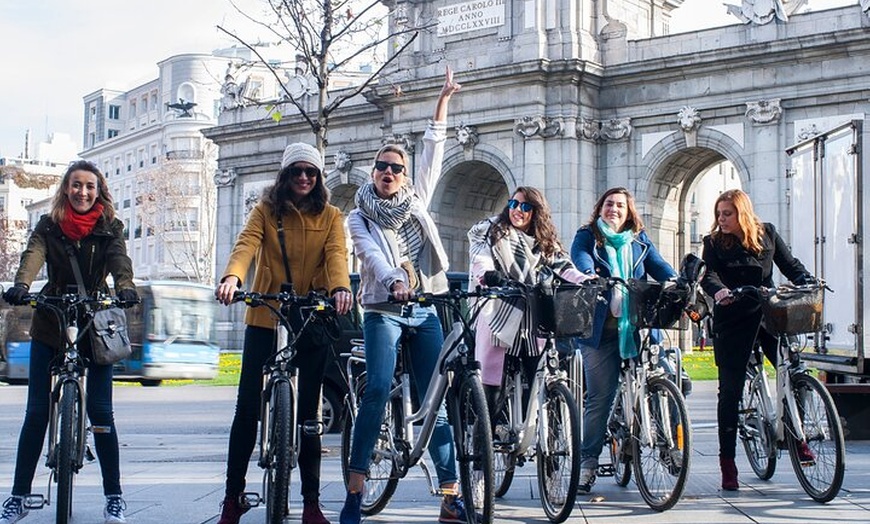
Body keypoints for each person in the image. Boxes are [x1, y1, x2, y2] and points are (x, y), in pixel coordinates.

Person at [340, 67, 468, 524]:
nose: (390, 172)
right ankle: (356, 492)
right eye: (383, 167)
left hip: (424, 308)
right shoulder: (359, 215)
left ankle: (451, 495)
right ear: (373, 173)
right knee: (375, 388)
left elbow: (433, 146)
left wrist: (443, 99)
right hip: (383, 310)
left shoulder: (417, 198)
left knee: (438, 396)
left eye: (397, 167)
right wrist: (395, 278)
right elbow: (370, 255)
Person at [214, 142, 352, 524]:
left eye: (311, 172)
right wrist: (232, 277)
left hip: (311, 314)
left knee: (309, 412)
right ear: (285, 176)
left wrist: (340, 287)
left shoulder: (332, 215)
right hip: (267, 311)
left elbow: (337, 255)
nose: (304, 178)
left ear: (319, 177)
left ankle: (310, 502)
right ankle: (232, 497)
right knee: (246, 410)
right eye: (297, 171)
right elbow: (246, 245)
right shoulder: (265, 210)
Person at [0, 160, 138, 524]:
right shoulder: (49, 225)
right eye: (76, 185)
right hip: (53, 316)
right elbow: (33, 255)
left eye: (89, 186)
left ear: (99, 191)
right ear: (66, 189)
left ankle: (114, 497)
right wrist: (22, 286)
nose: (82, 192)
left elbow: (119, 260)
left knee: (102, 412)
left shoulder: (110, 227)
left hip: (96, 320)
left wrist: (125, 287)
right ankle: (17, 495)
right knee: (36, 412)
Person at [699, 188, 814, 491]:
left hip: (769, 314)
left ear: (743, 213)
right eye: (719, 214)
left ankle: (796, 432)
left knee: (794, 370)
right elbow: (708, 275)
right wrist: (719, 291)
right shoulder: (713, 243)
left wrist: (808, 282)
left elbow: (791, 266)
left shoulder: (768, 234)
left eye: (728, 214)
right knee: (730, 392)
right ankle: (728, 463)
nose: (721, 219)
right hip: (733, 317)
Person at [570, 186, 677, 493]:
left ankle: (669, 444)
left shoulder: (640, 239)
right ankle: (588, 464)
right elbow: (579, 258)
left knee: (666, 378)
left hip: (639, 329)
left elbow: (659, 265)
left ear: (629, 211)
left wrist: (673, 280)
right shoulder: (588, 236)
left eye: (619, 205)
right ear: (599, 208)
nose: (613, 209)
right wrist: (589, 274)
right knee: (600, 399)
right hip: (602, 331)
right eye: (608, 204)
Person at [467, 186, 590, 410]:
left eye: (525, 207)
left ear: (536, 212)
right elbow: (480, 258)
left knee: (537, 376)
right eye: (513, 204)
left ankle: (537, 429)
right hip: (499, 310)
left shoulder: (543, 241)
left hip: (532, 313)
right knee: (492, 385)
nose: (517, 211)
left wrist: (585, 280)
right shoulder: (490, 230)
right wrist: (487, 275)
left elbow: (563, 266)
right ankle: (484, 437)